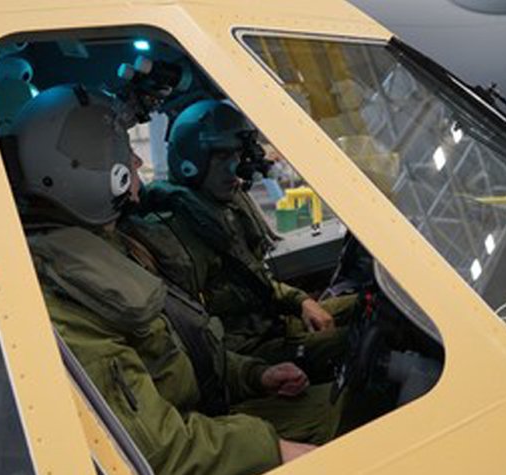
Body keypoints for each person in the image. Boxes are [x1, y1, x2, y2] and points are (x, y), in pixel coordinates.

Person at [11, 86, 350, 474]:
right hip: (195, 434)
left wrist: (254, 375)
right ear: (87, 170)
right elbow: (154, 450)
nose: (138, 161)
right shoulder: (67, 291)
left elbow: (185, 349)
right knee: (344, 406)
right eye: (125, 152)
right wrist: (268, 448)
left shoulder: (108, 250)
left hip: (211, 411)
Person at [135, 99, 359, 382]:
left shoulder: (222, 206)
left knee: (366, 306)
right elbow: (196, 340)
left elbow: (254, 279)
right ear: (191, 159)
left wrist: (301, 301)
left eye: (237, 156)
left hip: (272, 323)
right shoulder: (173, 230)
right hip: (248, 355)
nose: (235, 169)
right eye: (221, 157)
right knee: (358, 342)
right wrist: (256, 374)